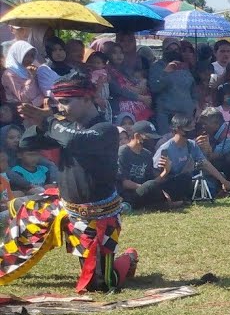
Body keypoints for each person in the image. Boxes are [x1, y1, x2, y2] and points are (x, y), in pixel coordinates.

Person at [0, 77, 139, 292]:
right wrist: (39, 123)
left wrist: (48, 120)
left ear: (86, 99)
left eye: (66, 101)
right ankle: (19, 209)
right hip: (63, 206)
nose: (61, 107)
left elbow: (75, 140)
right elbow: (26, 143)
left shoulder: (106, 130)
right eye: (58, 102)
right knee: (17, 235)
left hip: (98, 216)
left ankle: (129, 257)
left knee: (101, 284)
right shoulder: (64, 128)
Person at [117, 120, 182, 209]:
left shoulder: (147, 154)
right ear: (137, 136)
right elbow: (124, 183)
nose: (150, 141)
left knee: (181, 178)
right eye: (148, 137)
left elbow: (151, 180)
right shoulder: (123, 152)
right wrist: (147, 187)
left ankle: (162, 203)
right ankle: (164, 204)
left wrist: (165, 172)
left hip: (146, 191)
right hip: (130, 194)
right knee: (151, 185)